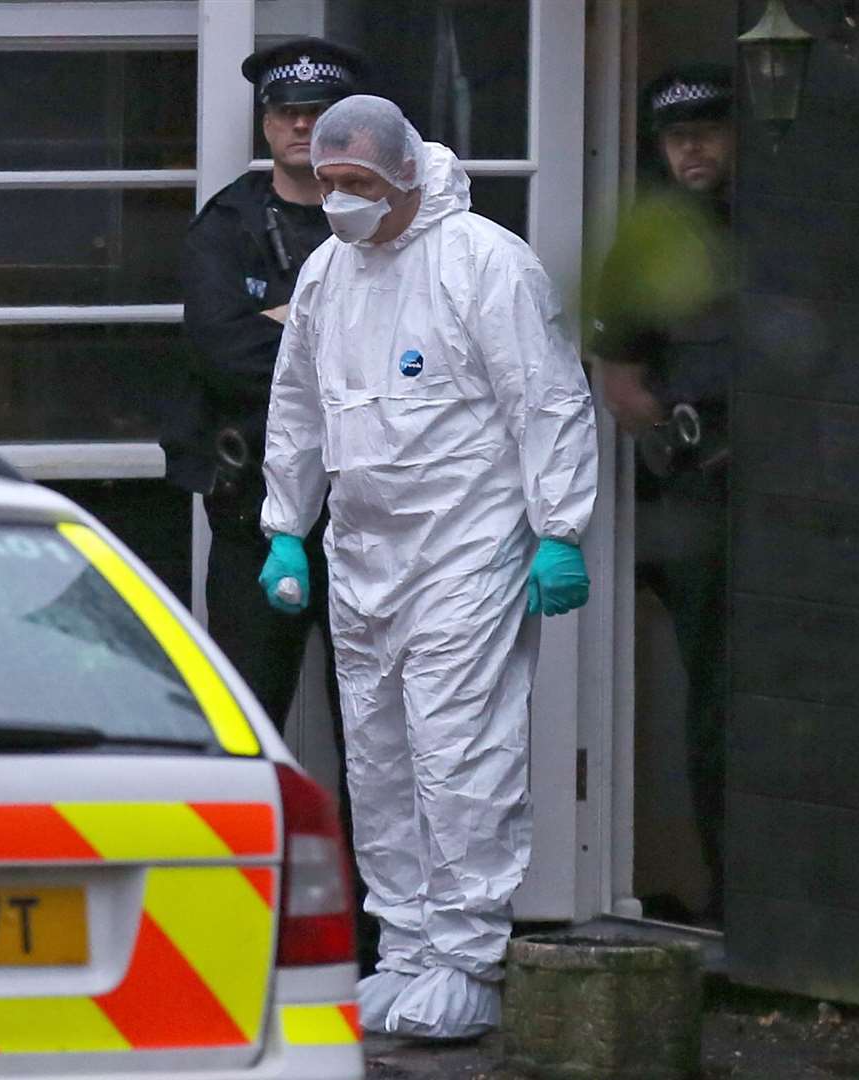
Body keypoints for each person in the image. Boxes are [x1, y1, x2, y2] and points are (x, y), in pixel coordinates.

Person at [257, 95, 598, 1040]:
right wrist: (287, 523)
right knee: (376, 757)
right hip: (364, 551)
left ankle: (466, 958)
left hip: (465, 547)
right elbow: (297, 405)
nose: (337, 201)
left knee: (458, 750)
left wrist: (558, 526)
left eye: (354, 183)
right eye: (326, 185)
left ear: (404, 173)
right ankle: (404, 947)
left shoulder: (483, 261)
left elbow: (546, 397)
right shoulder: (328, 271)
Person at [164, 37, 370, 731]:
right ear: (265, 121)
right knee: (247, 723)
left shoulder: (380, 220)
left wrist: (283, 321)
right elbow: (224, 353)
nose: (301, 125)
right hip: (252, 512)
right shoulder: (226, 227)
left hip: (368, 510)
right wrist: (336, 334)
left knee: (375, 737)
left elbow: (407, 349)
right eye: (285, 111)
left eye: (317, 111)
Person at [592, 64, 735, 924]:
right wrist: (688, 447)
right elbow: (620, 383)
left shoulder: (790, 225)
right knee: (717, 696)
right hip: (704, 495)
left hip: (805, 504)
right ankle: (729, 897)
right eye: (674, 134)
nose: (689, 147)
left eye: (708, 129)